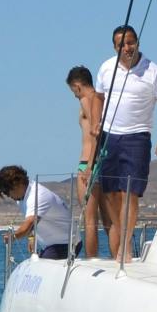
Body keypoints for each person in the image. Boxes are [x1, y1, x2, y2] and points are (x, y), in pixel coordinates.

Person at [95, 25, 157, 265]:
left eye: (130, 43)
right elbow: (98, 97)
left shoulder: (153, 70)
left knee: (130, 193)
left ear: (137, 42)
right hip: (109, 136)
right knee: (111, 194)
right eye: (121, 45)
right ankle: (121, 236)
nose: (127, 48)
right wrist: (96, 123)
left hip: (137, 137)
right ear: (115, 47)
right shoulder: (106, 68)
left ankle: (126, 245)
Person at [66, 65, 105, 257]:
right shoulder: (102, 99)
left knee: (90, 220)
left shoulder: (86, 100)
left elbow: (95, 133)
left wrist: (89, 165)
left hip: (88, 163)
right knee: (108, 219)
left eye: (73, 90)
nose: (74, 95)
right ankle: (117, 258)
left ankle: (91, 260)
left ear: (78, 86)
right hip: (105, 163)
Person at [0, 165, 71, 260]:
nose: (8, 195)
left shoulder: (38, 195)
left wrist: (13, 236)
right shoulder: (22, 197)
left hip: (65, 243)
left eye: (7, 191)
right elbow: (34, 221)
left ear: (18, 184)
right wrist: (31, 237)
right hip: (50, 245)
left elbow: (30, 223)